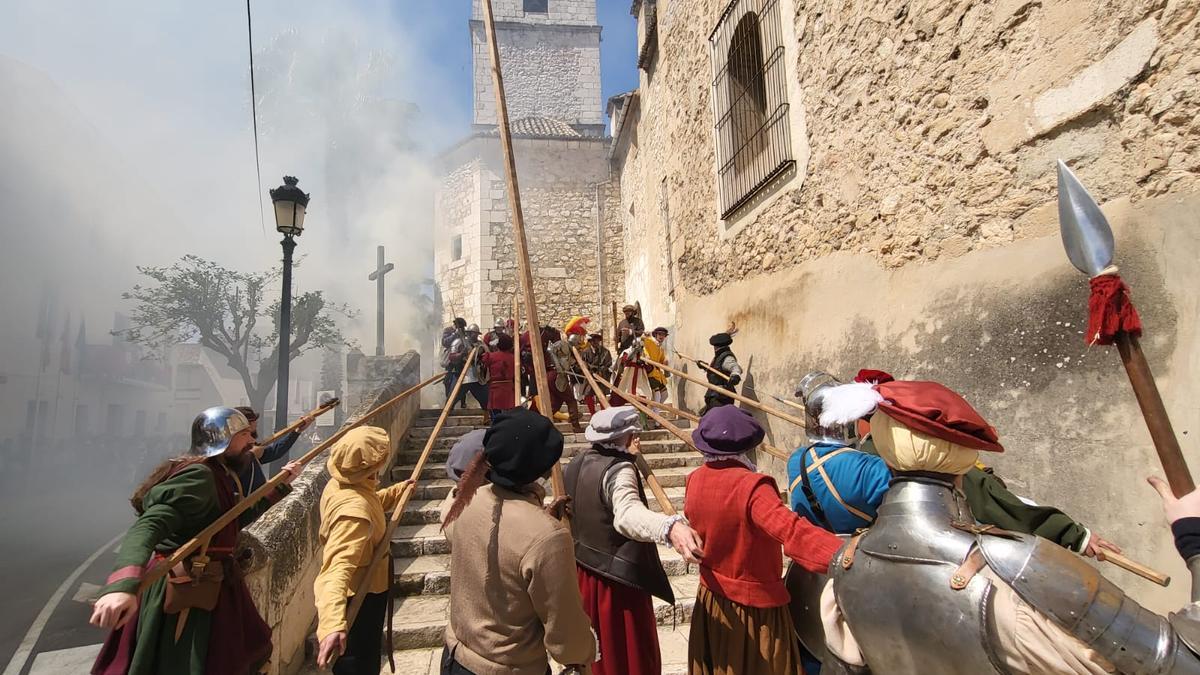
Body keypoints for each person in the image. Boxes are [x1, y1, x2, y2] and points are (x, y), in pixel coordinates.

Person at [807, 379, 1178, 675]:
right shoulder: (1017, 564)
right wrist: (1190, 538)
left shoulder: (846, 564)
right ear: (963, 458)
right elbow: (1173, 659)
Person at [787, 371, 1118, 555]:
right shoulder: (877, 464)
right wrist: (1073, 535)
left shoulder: (796, 461)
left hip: (831, 567)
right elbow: (988, 499)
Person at [90, 407, 304, 675]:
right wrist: (123, 585)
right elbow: (148, 525)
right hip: (188, 588)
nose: (252, 440)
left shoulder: (221, 472)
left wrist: (281, 485)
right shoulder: (199, 476)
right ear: (222, 439)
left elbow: (230, 520)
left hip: (215, 584)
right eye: (244, 435)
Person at [683, 405, 842, 675]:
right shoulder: (752, 488)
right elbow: (793, 533)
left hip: (711, 599)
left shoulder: (694, 480)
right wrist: (844, 554)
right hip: (754, 612)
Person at [439, 408, 596, 675]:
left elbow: (499, 536)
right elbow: (565, 632)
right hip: (506, 667)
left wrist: (538, 514)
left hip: (456, 658)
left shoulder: (463, 502)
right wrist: (584, 651)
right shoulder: (547, 537)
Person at [565, 406, 705, 675]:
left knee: (597, 654)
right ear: (625, 437)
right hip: (616, 583)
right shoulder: (619, 470)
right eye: (633, 434)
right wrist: (670, 526)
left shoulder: (575, 463)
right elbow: (627, 514)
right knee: (626, 656)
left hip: (585, 573)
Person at [313, 427, 413, 674]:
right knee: (359, 663)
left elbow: (370, 501)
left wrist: (397, 491)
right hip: (359, 600)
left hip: (368, 589)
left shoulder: (340, 484)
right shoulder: (354, 514)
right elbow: (336, 570)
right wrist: (333, 624)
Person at [234, 406, 314, 494]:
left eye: (252, 433)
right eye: (245, 434)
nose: (253, 439)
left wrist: (297, 431)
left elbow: (275, 451)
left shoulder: (252, 456)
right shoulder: (225, 467)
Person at [544, 326, 584, 433]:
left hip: (555, 375)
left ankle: (541, 422)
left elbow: (570, 363)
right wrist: (558, 367)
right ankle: (576, 425)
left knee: (555, 404)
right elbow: (550, 350)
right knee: (571, 400)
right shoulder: (562, 344)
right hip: (556, 375)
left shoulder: (569, 351)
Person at [699, 331, 742, 416]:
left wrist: (735, 376)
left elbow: (735, 368)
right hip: (715, 394)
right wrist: (705, 366)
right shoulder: (719, 356)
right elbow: (717, 371)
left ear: (716, 346)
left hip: (722, 395)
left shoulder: (727, 357)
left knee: (719, 419)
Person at [480, 333, 516, 420]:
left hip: (495, 388)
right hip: (509, 388)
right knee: (509, 414)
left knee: (496, 415)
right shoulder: (514, 357)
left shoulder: (491, 356)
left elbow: (482, 361)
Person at [458, 324, 489, 412]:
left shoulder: (480, 344)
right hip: (463, 375)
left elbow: (487, 355)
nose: (474, 335)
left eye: (475, 333)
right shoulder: (461, 343)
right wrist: (461, 355)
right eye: (472, 333)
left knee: (485, 398)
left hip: (477, 375)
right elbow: (453, 357)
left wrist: (480, 356)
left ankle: (486, 416)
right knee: (454, 397)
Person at [580, 333, 614, 415]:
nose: (595, 343)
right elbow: (583, 363)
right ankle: (592, 413)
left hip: (602, 376)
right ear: (590, 342)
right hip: (590, 376)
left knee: (602, 395)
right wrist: (590, 368)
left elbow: (608, 363)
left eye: (597, 341)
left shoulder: (605, 352)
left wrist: (602, 369)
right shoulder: (585, 352)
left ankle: (603, 414)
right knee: (588, 394)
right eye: (593, 341)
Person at [440, 318, 468, 404]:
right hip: (450, 360)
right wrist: (454, 334)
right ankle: (449, 400)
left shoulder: (463, 331)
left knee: (463, 382)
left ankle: (463, 402)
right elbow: (445, 342)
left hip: (462, 360)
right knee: (448, 381)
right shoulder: (448, 331)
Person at [643, 327, 671, 406]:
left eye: (663, 335)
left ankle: (652, 410)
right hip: (650, 372)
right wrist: (645, 335)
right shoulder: (650, 341)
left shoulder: (661, 349)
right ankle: (655, 414)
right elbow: (643, 340)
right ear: (655, 335)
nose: (661, 336)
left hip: (658, 374)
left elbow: (662, 361)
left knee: (665, 394)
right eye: (659, 334)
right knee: (657, 394)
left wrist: (665, 362)